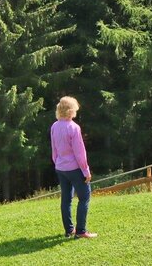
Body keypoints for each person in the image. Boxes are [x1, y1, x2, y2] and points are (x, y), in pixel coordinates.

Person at [51, 96, 97, 239]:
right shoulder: (74, 127)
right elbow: (80, 153)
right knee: (84, 197)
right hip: (74, 169)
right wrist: (86, 171)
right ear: (71, 110)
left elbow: (54, 150)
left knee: (66, 199)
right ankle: (81, 231)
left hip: (60, 168)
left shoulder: (54, 126)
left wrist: (57, 163)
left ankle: (69, 230)